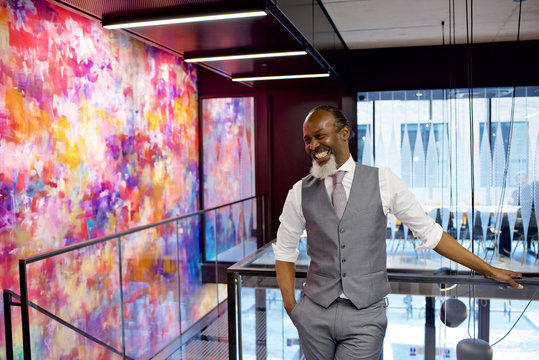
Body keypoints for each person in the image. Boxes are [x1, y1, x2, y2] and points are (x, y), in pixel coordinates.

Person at [273, 105, 523, 360]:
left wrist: (488, 270)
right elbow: (284, 249)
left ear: (344, 133)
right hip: (313, 314)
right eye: (307, 140)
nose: (312, 145)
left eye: (320, 136)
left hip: (365, 317)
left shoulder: (384, 181)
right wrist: (293, 308)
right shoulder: (299, 191)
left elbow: (430, 233)